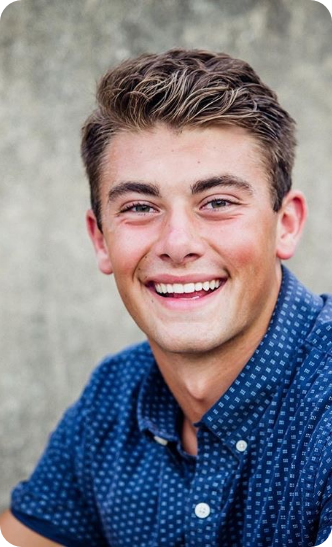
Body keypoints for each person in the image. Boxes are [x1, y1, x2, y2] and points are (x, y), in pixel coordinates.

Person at [1, 48, 331, 547]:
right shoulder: (112, 399)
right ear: (100, 239)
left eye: (217, 203)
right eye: (139, 207)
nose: (177, 244)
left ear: (286, 225)